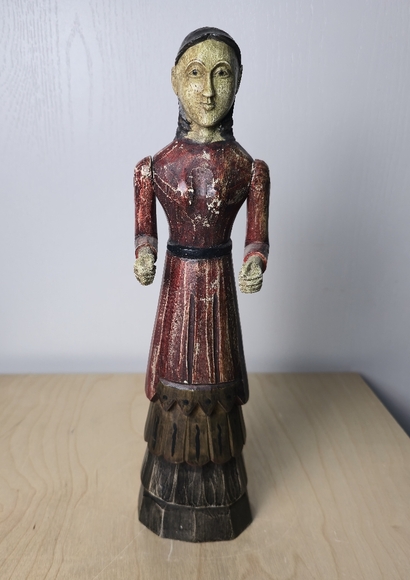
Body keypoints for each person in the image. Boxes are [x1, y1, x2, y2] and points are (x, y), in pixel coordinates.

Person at [133, 27, 270, 542]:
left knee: (216, 386)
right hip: (177, 289)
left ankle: (218, 501)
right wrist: (144, 254)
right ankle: (167, 497)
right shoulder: (153, 169)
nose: (208, 91)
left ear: (239, 82)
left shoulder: (249, 170)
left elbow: (256, 238)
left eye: (221, 74)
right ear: (174, 80)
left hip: (218, 290)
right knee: (176, 385)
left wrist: (255, 261)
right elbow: (145, 233)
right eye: (195, 74)